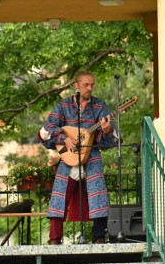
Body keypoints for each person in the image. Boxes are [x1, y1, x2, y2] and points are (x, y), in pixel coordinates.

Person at [38, 71, 117, 244]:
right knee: (59, 195)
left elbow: (111, 138)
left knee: (98, 194)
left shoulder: (99, 106)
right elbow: (47, 128)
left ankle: (99, 238)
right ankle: (54, 239)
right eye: (86, 85)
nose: (90, 88)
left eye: (92, 85)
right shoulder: (64, 106)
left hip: (91, 153)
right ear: (76, 85)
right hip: (68, 156)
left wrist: (106, 131)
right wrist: (63, 138)